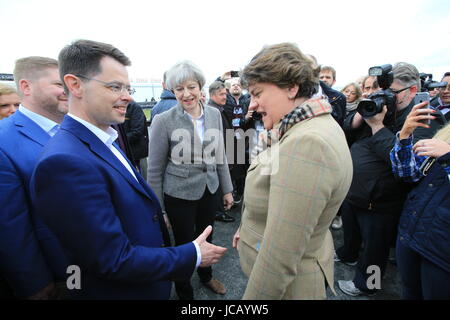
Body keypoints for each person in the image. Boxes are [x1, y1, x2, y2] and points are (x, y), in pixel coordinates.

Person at [29, 39, 226, 300]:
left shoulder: (105, 138)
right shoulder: (63, 162)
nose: (129, 96)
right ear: (75, 85)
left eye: (128, 87)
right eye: (115, 87)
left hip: (151, 273)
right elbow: (110, 258)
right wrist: (193, 253)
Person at [232, 43, 353, 299]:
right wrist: (247, 227)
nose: (251, 105)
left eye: (257, 93)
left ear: (291, 87)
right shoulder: (306, 126)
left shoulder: (307, 144)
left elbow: (280, 254)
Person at [336, 62, 434, 296]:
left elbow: (403, 161)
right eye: (381, 91)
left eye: (392, 93)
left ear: (411, 91)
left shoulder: (423, 117)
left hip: (381, 203)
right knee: (351, 234)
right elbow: (347, 129)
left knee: (375, 250)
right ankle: (347, 255)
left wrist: (378, 126)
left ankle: (369, 285)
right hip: (355, 193)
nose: (384, 97)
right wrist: (362, 115)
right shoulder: (382, 109)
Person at [147, 61, 233, 300]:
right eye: (179, 89)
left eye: (191, 87)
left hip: (210, 189)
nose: (186, 94)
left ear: (200, 86)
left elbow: (221, 155)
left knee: (209, 236)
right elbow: (154, 170)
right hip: (179, 195)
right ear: (172, 91)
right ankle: (185, 292)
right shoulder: (163, 121)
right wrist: (160, 209)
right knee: (184, 245)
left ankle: (206, 276)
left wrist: (227, 189)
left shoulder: (215, 114)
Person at [0, 56, 69, 299]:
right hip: (58, 273)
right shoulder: (3, 141)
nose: (68, 91)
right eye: (60, 84)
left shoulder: (71, 128)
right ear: (26, 87)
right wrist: (35, 284)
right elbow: (10, 225)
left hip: (93, 264)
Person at [390, 104, 450, 299]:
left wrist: (448, 158)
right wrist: (405, 136)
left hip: (441, 252)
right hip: (412, 234)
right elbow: (408, 174)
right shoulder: (445, 133)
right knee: (409, 292)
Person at [207, 81, 235, 223]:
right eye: (221, 94)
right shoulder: (212, 111)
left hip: (224, 152)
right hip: (218, 155)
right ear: (212, 95)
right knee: (217, 183)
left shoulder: (219, 109)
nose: (225, 96)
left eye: (225, 93)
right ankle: (219, 211)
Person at [123, 99, 149, 177]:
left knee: (144, 178)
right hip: (126, 151)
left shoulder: (134, 107)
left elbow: (137, 131)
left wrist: (119, 139)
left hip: (138, 152)